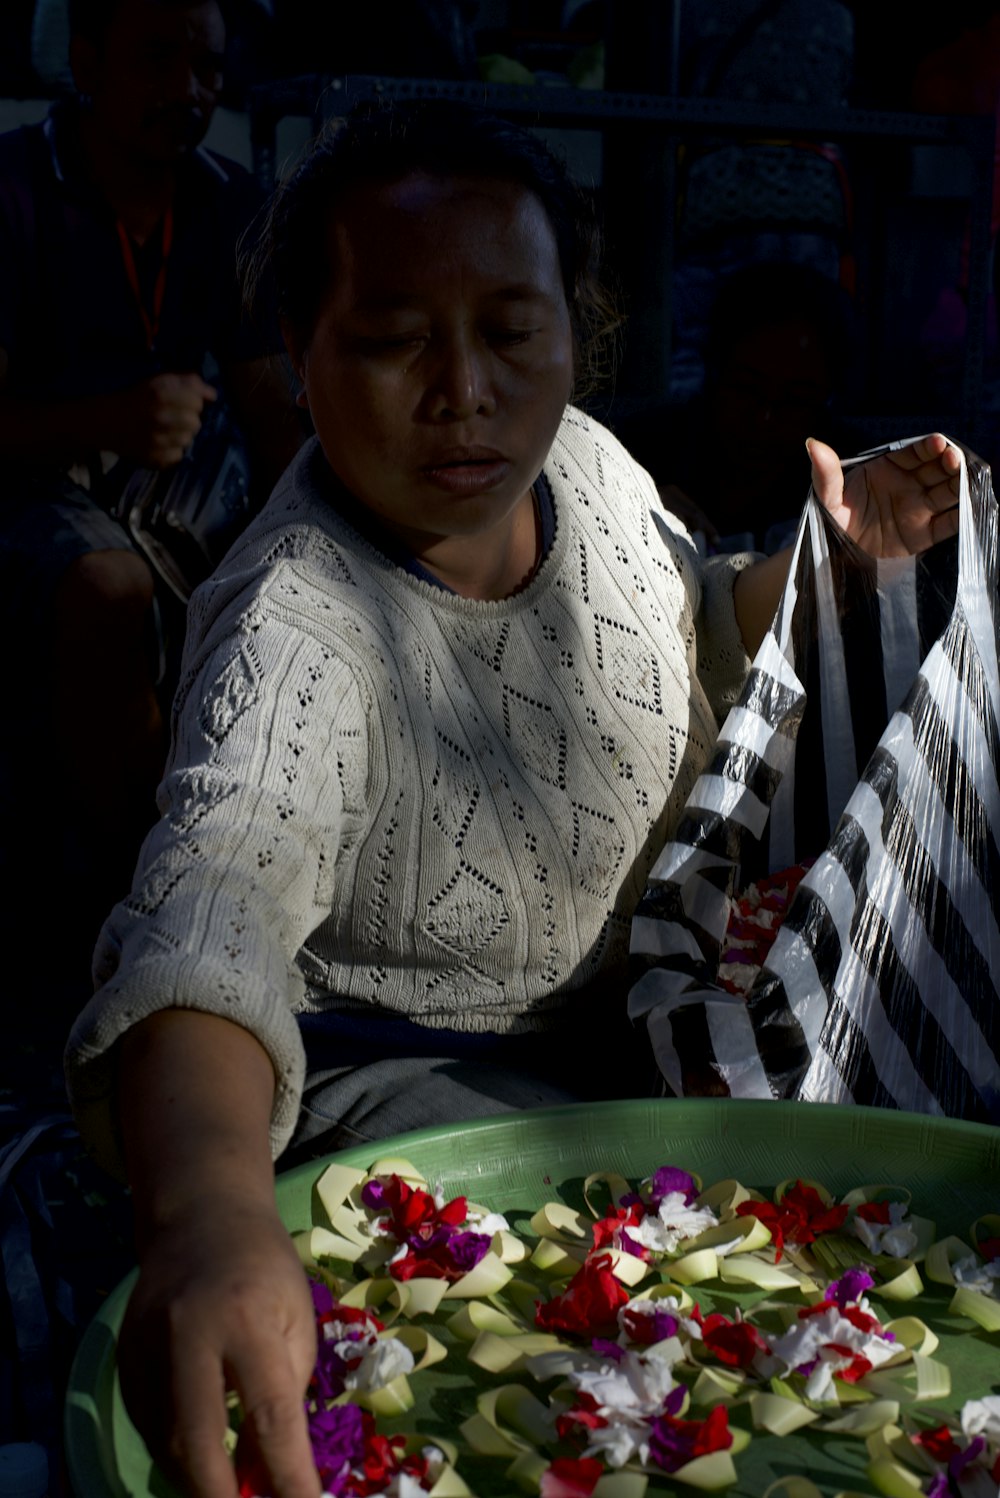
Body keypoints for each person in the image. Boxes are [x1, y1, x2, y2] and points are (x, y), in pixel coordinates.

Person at [62, 99, 961, 1498]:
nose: (464, 390)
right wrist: (212, 1212)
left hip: (641, 1011)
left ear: (574, 332)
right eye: (391, 338)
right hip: (416, 1078)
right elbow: (204, 919)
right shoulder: (296, 630)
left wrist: (826, 574)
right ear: (297, 360)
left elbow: (694, 628)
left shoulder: (588, 466)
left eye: (510, 329)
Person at [0, 0, 303, 1033]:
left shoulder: (226, 202)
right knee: (106, 587)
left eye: (208, 68)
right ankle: (132, 909)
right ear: (85, 60)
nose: (189, 91)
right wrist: (114, 418)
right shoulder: (14, 189)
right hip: (33, 493)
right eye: (157, 57)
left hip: (177, 498)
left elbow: (271, 405)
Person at [613, 261, 856, 553]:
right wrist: (630, 508)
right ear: (715, 373)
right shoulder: (639, 453)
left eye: (795, 400)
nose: (764, 418)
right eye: (747, 388)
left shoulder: (855, 477)